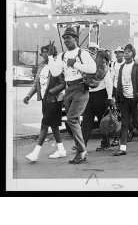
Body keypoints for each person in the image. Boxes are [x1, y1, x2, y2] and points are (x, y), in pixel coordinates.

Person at [47, 27, 96, 164]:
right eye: (64, 38)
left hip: (81, 88)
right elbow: (56, 72)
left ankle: (81, 151)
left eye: (69, 37)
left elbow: (93, 68)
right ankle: (81, 150)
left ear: (75, 38)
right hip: (69, 89)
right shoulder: (63, 55)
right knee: (72, 121)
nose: (66, 40)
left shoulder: (82, 53)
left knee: (72, 119)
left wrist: (75, 64)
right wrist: (51, 57)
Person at [24, 44, 66, 162]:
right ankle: (61, 150)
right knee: (53, 125)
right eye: (42, 52)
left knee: (44, 125)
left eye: (46, 52)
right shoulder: (41, 66)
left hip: (54, 100)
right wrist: (28, 95)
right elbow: (36, 83)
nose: (44, 54)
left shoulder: (57, 65)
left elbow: (63, 83)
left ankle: (35, 153)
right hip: (44, 100)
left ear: (52, 53)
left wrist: (52, 92)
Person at [113, 44, 138, 156]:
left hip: (135, 99)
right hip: (124, 99)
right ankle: (123, 148)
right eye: (125, 51)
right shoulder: (121, 67)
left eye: (128, 51)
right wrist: (117, 97)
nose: (126, 53)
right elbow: (119, 83)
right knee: (124, 123)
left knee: (136, 122)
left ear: (133, 54)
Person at [81, 49, 114, 150]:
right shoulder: (90, 66)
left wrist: (109, 97)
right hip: (90, 95)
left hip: (101, 95)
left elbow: (108, 83)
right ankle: (82, 144)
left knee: (101, 121)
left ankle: (105, 142)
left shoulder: (104, 68)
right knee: (87, 120)